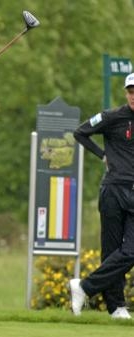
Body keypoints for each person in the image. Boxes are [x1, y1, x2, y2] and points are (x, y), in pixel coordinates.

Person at [70, 73, 134, 318]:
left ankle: (84, 287)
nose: (133, 96)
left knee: (130, 251)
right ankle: (116, 306)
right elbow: (80, 132)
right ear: (126, 92)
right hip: (113, 190)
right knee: (111, 250)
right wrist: (101, 155)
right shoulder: (111, 117)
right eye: (130, 91)